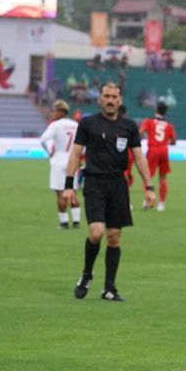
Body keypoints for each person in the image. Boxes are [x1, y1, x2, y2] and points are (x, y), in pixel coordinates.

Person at [63, 82, 156, 302]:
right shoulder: (88, 123)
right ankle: (86, 274)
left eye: (114, 96)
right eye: (107, 96)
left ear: (120, 100)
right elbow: (75, 154)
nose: (111, 100)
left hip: (118, 184)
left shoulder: (129, 126)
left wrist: (149, 187)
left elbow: (139, 157)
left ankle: (109, 288)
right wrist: (69, 186)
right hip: (94, 182)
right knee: (96, 233)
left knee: (114, 237)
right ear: (100, 99)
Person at [40, 99, 82, 229]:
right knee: (73, 191)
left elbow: (43, 140)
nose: (53, 113)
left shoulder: (56, 125)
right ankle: (76, 221)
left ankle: (64, 222)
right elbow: (83, 145)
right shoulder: (76, 125)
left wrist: (50, 153)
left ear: (60, 111)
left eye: (54, 110)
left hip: (58, 159)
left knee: (60, 193)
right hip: (72, 160)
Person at [139, 101, 177, 211]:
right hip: (164, 150)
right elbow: (174, 141)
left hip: (153, 150)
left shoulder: (149, 121)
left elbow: (140, 132)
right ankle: (161, 204)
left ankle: (147, 201)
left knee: (147, 177)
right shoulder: (169, 125)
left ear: (156, 110)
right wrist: (164, 142)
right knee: (163, 178)